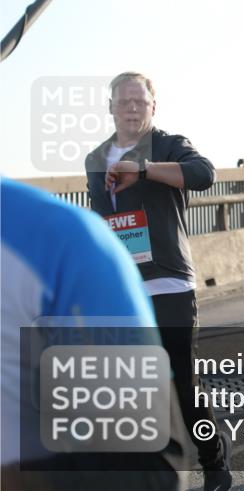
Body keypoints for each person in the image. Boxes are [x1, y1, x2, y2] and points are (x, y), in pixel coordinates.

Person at [84, 72, 231, 490]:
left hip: (169, 282)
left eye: (139, 100)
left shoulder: (168, 145)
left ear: (153, 106)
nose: (132, 107)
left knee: (183, 388)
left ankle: (213, 460)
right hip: (124, 288)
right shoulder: (96, 160)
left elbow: (204, 174)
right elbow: (101, 219)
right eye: (123, 101)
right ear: (110, 107)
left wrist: (144, 170)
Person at [1, 178, 192, 491]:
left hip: (166, 283)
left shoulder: (58, 238)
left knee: (189, 383)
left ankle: (214, 458)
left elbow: (148, 467)